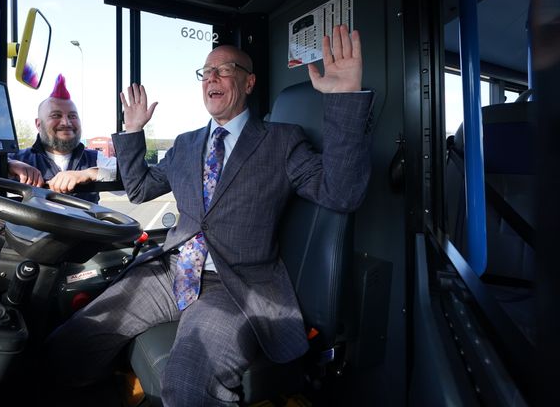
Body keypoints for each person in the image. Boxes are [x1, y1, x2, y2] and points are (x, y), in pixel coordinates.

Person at [45, 25, 374, 406]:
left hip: (235, 286)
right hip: (172, 272)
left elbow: (342, 193)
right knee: (72, 340)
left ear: (249, 82)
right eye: (205, 73)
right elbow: (140, 189)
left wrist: (346, 98)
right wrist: (133, 130)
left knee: (187, 382)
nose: (211, 78)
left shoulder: (282, 141)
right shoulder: (186, 144)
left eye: (224, 69)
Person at [7, 74, 115, 204]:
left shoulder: (95, 159)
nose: (66, 122)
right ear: (38, 124)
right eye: (56, 115)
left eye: (72, 116)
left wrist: (89, 173)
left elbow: (131, 179)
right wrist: (8, 165)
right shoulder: (19, 159)